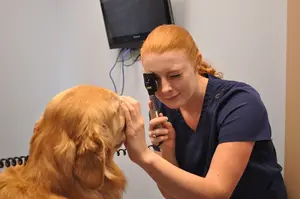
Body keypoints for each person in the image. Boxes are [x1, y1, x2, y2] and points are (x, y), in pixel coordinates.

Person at [120, 24, 287, 199]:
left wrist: (144, 157)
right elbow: (173, 195)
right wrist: (167, 153)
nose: (165, 89)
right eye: (154, 79)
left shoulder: (240, 103)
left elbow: (218, 193)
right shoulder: (162, 109)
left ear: (196, 62)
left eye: (175, 75)